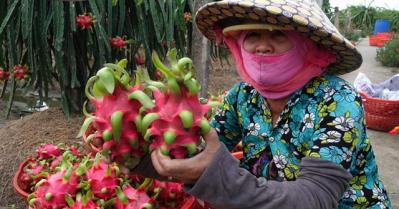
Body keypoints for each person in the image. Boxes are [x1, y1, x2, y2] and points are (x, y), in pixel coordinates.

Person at [139, 0, 393, 208]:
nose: (262, 46)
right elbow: (195, 156)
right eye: (252, 35)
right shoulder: (242, 97)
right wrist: (136, 157)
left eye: (278, 34)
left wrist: (222, 175)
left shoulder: (339, 100)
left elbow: (316, 198)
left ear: (308, 45)